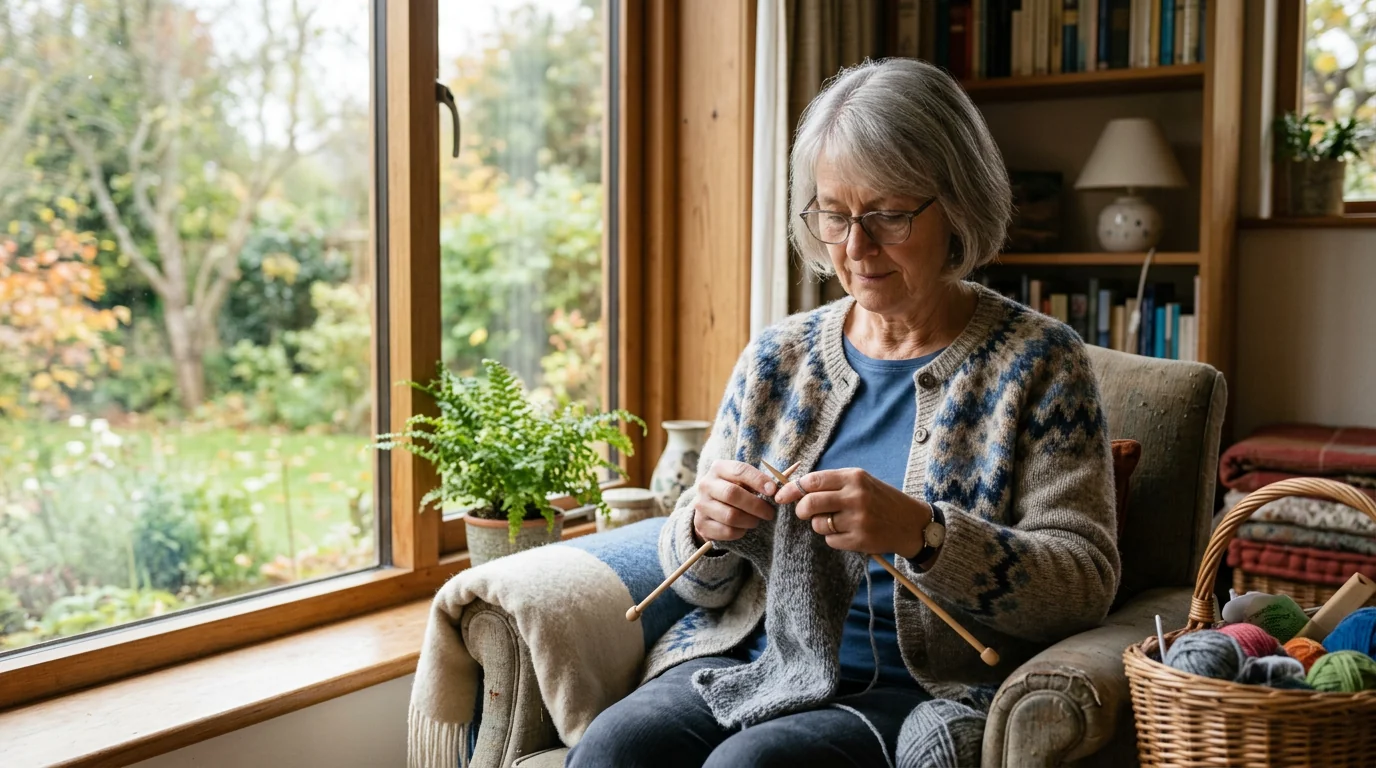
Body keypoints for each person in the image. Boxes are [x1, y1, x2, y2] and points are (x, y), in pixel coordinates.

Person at [567, 58, 1120, 768]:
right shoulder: (777, 358)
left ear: (958, 204)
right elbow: (700, 583)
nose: (856, 248)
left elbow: (1083, 585)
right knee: (613, 746)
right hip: (752, 658)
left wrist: (925, 535)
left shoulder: (1041, 364)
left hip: (906, 689)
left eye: (888, 215)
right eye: (833, 214)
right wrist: (706, 526)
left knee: (749, 767)